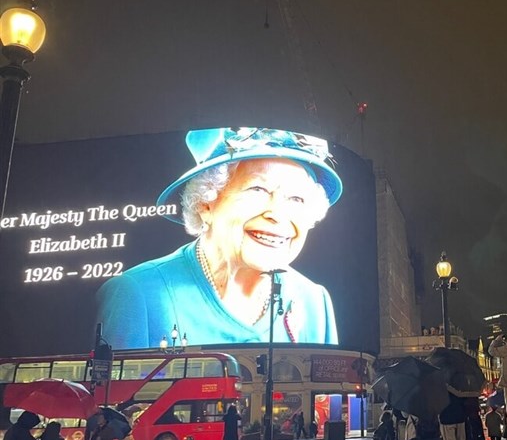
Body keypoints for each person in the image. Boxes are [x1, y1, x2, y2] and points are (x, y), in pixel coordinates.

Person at [97, 127, 343, 349]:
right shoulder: (139, 294)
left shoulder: (314, 302)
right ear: (206, 204)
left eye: (296, 199)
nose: (278, 215)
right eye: (258, 189)